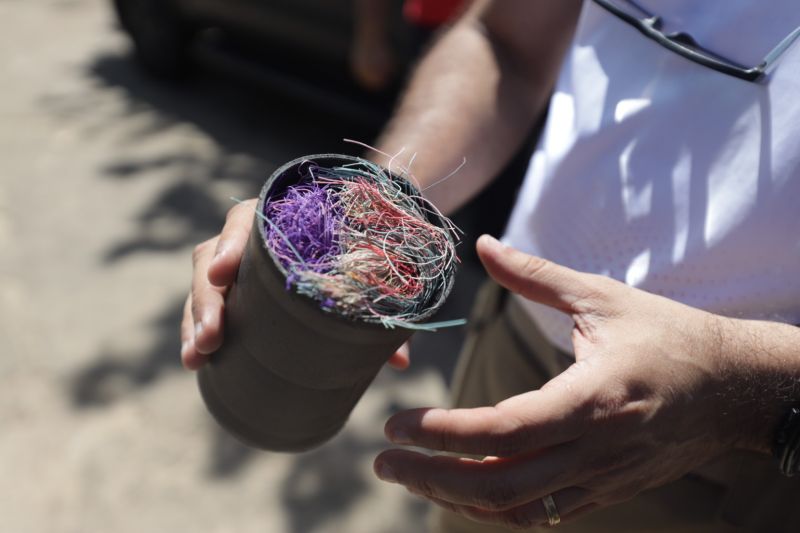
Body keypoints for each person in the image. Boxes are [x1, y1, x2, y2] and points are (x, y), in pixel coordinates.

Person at [182, 1, 800, 531]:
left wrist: (737, 392)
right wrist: (370, 210)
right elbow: (505, 41)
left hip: (730, 447)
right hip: (513, 339)